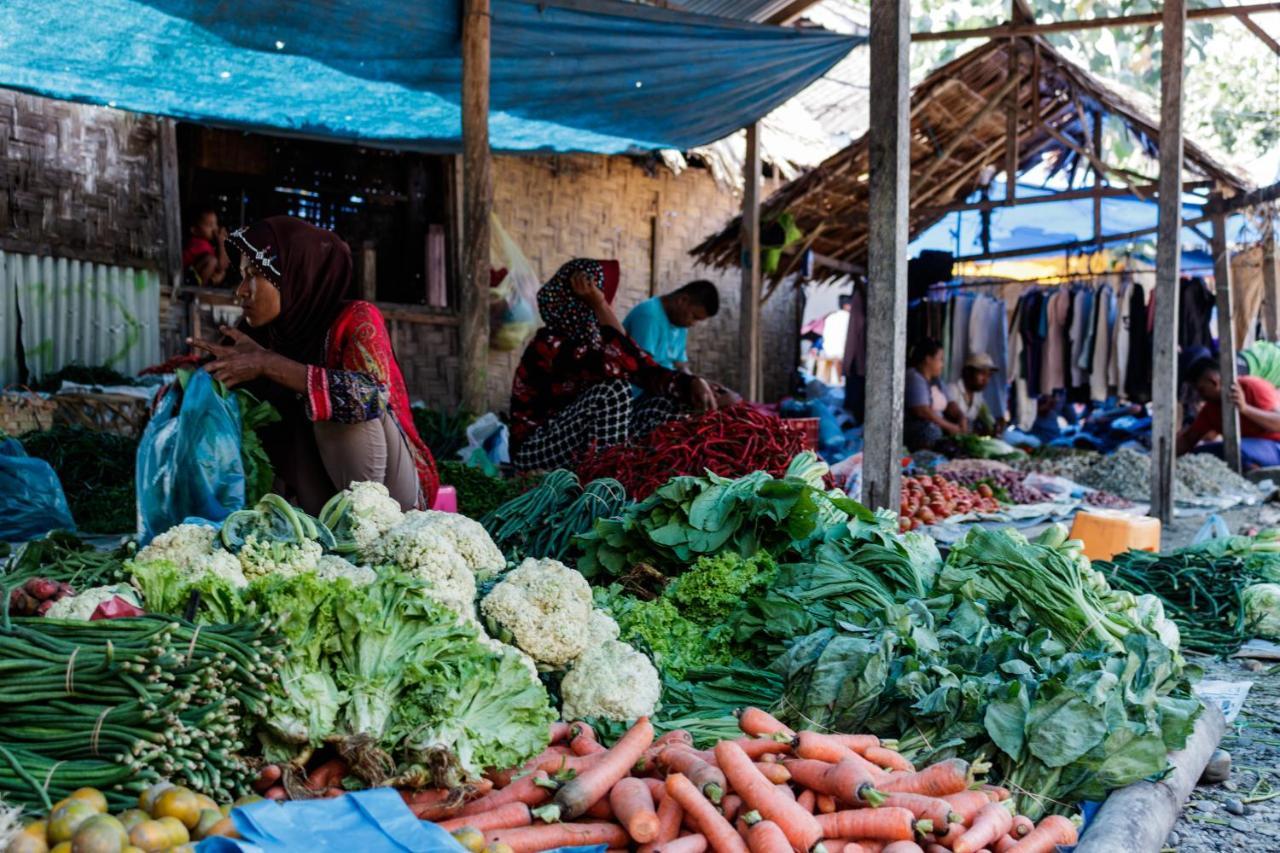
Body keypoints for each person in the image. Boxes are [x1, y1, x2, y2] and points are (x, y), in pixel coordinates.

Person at [187, 216, 438, 514]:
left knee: (335, 405)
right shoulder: (258, 336)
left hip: (391, 496)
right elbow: (205, 381)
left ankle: (365, 529)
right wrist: (187, 389)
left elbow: (370, 397)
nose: (240, 290)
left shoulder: (356, 319)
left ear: (296, 275)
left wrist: (270, 365)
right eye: (241, 276)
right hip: (318, 497)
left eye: (254, 274)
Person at [510, 259, 718, 472]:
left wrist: (690, 384)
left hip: (571, 439)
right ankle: (606, 479)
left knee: (668, 402)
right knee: (613, 391)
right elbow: (634, 367)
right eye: (599, 296)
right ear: (578, 299)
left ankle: (640, 473)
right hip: (534, 449)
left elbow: (637, 362)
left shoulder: (590, 339)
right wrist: (599, 305)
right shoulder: (552, 343)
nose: (605, 301)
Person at [624, 280, 739, 407]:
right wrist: (687, 386)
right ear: (683, 300)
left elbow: (681, 365)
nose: (693, 323)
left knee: (728, 398)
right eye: (694, 317)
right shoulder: (648, 316)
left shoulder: (679, 323)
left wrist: (701, 384)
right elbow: (644, 370)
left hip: (665, 386)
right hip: (638, 394)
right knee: (708, 406)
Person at [1177, 357, 1280, 469]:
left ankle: (1259, 480)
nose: (1201, 396)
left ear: (1214, 381)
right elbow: (1189, 440)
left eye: (1202, 390)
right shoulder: (1210, 408)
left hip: (1275, 446)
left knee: (1235, 450)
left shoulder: (1252, 386)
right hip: (1247, 447)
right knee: (1199, 455)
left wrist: (1245, 409)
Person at [904, 338, 966, 451]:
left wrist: (961, 416)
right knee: (932, 430)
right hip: (918, 430)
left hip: (939, 426)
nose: (942, 364)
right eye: (940, 359)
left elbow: (951, 403)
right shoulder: (913, 377)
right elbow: (922, 411)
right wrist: (949, 426)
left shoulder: (937, 380)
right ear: (928, 359)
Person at [947, 352, 1001, 434]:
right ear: (968, 372)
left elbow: (988, 418)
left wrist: (995, 426)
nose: (986, 380)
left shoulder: (978, 397)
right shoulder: (952, 389)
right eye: (982, 374)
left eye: (989, 375)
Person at [183, 207, 231, 287]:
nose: (215, 229)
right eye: (210, 225)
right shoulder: (199, 244)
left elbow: (224, 266)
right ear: (195, 230)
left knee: (220, 272)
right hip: (184, 276)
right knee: (212, 261)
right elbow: (221, 266)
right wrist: (221, 243)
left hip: (193, 275)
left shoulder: (206, 244)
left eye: (216, 224)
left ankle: (204, 287)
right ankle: (198, 291)